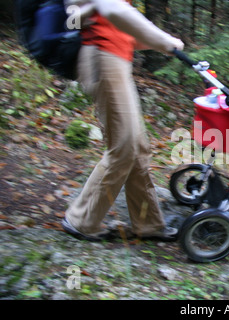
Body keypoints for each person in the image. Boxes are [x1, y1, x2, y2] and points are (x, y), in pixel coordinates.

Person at [61, 0, 184, 241]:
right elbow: (112, 9)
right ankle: (81, 219)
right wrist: (165, 41)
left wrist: (163, 45)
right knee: (124, 147)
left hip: (112, 58)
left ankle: (148, 223)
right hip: (102, 58)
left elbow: (121, 28)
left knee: (137, 149)